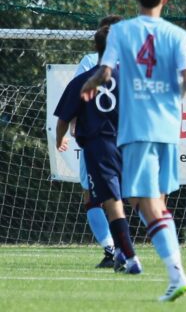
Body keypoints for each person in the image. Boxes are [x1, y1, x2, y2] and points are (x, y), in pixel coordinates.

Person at [80, 0, 186, 302]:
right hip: (169, 128)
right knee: (148, 201)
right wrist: (171, 96)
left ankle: (176, 274)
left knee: (146, 204)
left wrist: (91, 85)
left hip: (138, 128)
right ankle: (175, 272)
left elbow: (104, 72)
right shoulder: (177, 34)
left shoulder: (120, 31)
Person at [54, 25, 142, 275]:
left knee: (109, 201)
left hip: (100, 145)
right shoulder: (133, 76)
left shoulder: (86, 74)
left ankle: (124, 254)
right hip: (131, 143)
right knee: (139, 199)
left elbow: (64, 117)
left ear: (97, 46)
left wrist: (59, 138)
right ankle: (162, 249)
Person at [73, 15, 123, 269]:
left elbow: (78, 96)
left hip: (95, 140)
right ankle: (125, 249)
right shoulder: (133, 64)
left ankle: (112, 249)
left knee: (92, 197)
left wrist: (71, 127)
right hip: (125, 140)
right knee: (133, 198)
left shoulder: (90, 62)